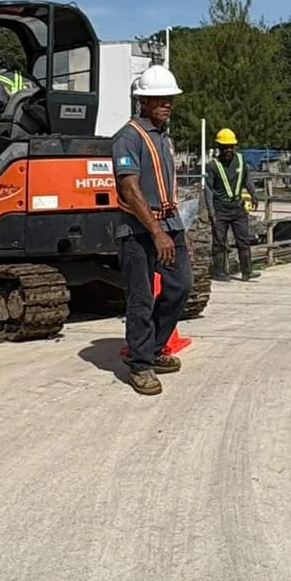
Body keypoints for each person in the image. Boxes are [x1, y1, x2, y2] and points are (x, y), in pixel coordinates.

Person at [111, 64, 193, 397]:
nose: (166, 104)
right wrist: (156, 232)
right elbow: (130, 188)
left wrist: (176, 231)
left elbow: (165, 187)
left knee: (181, 286)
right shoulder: (128, 137)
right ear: (142, 101)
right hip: (138, 231)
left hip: (169, 224)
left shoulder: (164, 137)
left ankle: (156, 345)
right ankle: (141, 364)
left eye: (169, 99)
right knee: (141, 297)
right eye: (158, 99)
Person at [205, 128, 261, 282]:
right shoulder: (213, 166)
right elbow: (209, 189)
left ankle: (247, 271)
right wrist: (211, 211)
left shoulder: (241, 161)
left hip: (238, 208)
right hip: (220, 209)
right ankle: (220, 272)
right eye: (224, 147)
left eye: (231, 146)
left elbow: (247, 180)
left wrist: (254, 195)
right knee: (219, 242)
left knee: (243, 240)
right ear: (219, 148)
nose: (228, 150)